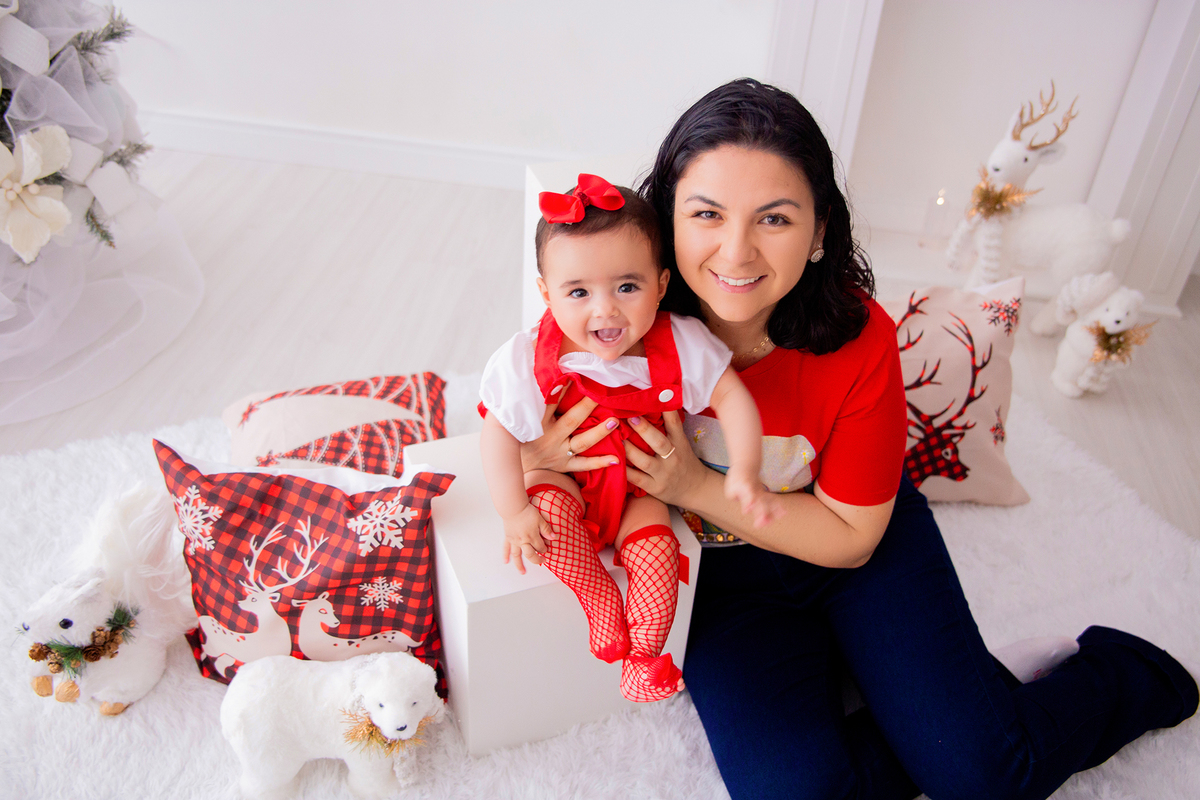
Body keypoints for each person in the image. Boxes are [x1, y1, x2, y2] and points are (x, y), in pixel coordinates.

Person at [518, 80, 1198, 799]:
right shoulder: (617, 313)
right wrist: (537, 457)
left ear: (818, 232)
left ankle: (1121, 674)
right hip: (723, 583)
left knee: (986, 779)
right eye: (707, 214)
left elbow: (853, 540)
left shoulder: (859, 335)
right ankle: (984, 696)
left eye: (774, 219)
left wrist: (692, 486)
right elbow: (517, 422)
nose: (736, 251)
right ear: (667, 221)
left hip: (855, 549)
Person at [479, 174, 780, 703]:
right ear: (547, 294)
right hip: (567, 480)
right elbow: (497, 433)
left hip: (642, 489)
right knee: (546, 513)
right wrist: (512, 511)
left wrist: (746, 468)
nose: (606, 310)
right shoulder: (531, 356)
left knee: (658, 556)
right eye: (579, 292)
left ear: (660, 285)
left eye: (627, 287)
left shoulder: (679, 341)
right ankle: (596, 596)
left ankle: (643, 659)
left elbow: (731, 396)